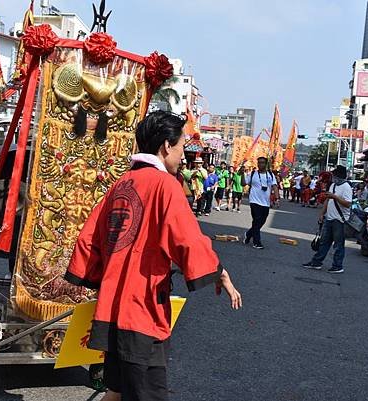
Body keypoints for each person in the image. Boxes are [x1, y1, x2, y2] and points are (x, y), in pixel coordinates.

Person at [65, 111, 242, 401]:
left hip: (112, 309)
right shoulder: (165, 186)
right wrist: (220, 272)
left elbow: (89, 238)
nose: (184, 156)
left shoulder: (122, 183)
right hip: (142, 312)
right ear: (165, 147)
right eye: (182, 147)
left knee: (116, 391)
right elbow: (188, 240)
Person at [303, 165, 352, 274]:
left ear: (339, 175)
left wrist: (335, 197)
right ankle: (316, 262)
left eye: (334, 174)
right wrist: (322, 214)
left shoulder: (346, 187)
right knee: (324, 242)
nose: (333, 176)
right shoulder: (333, 185)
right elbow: (327, 200)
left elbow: (348, 204)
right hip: (329, 218)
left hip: (340, 220)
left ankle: (337, 266)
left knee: (338, 244)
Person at [242, 157, 279, 249]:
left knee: (261, 222)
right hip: (254, 201)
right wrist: (242, 173)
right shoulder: (253, 173)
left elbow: (275, 187)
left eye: (262, 163)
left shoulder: (270, 174)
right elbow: (243, 183)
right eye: (259, 163)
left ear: (266, 164)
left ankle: (248, 234)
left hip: (265, 203)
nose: (260, 165)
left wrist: (277, 199)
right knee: (257, 220)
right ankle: (257, 242)